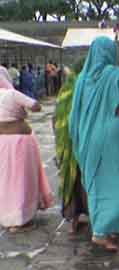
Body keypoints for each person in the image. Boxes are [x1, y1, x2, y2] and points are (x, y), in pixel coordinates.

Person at [69, 37, 119, 252]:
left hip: (88, 137)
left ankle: (105, 229)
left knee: (97, 184)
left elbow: (76, 113)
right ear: (112, 53)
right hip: (112, 135)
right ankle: (102, 233)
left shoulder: (81, 80)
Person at [0, 66, 54, 233]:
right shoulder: (12, 94)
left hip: (2, 141)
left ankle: (8, 215)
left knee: (6, 179)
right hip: (21, 142)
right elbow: (36, 106)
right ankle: (21, 217)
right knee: (22, 179)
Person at [54, 57, 88, 235]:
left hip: (65, 145)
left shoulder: (64, 90)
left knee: (70, 179)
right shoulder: (83, 88)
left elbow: (56, 119)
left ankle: (73, 221)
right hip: (81, 143)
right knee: (85, 180)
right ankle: (91, 218)